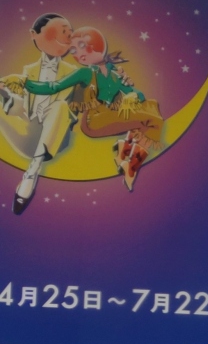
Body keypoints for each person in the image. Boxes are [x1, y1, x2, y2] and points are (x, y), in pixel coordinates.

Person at [0, 12, 80, 214]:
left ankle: (32, 173)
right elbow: (27, 102)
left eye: (69, 32)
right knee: (12, 97)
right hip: (30, 128)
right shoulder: (29, 70)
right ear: (34, 35)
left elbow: (84, 102)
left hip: (56, 138)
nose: (66, 36)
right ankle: (7, 101)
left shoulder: (73, 72)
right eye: (60, 31)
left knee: (60, 106)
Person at [67, 27, 163, 191]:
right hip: (94, 120)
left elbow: (137, 94)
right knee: (150, 120)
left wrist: (133, 96)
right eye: (73, 50)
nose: (78, 54)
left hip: (111, 114)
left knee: (150, 106)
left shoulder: (114, 72)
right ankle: (129, 162)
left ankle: (125, 154)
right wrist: (26, 84)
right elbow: (55, 86)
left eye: (82, 45)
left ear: (98, 44)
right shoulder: (85, 73)